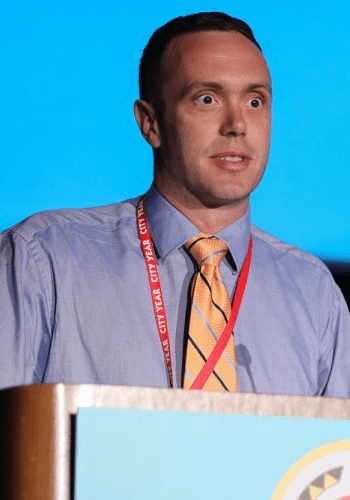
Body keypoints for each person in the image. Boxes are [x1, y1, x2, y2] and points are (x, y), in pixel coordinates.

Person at [0, 12, 349, 395]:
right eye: (207, 98)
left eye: (254, 100)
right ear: (150, 123)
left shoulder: (313, 293)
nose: (237, 124)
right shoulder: (43, 260)